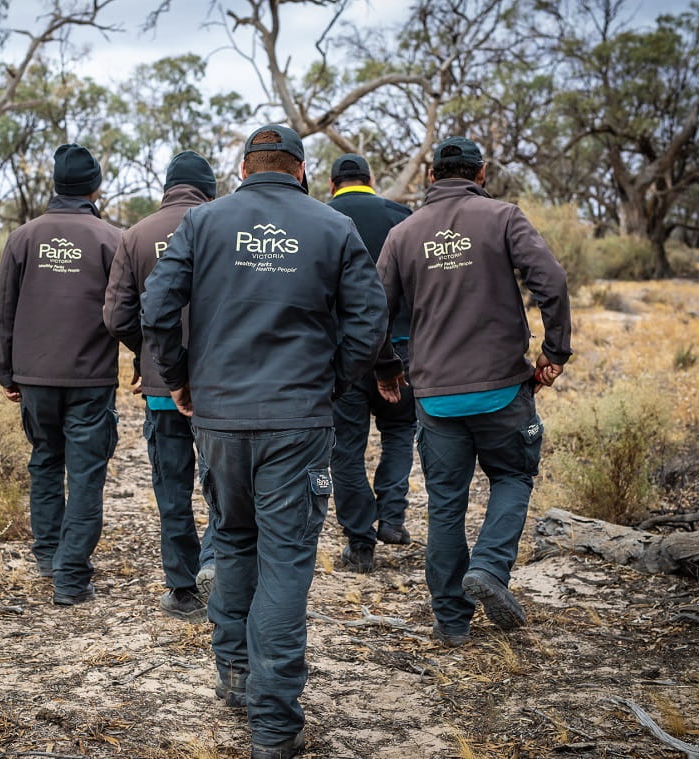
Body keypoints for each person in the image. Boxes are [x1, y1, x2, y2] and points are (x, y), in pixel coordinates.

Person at [142, 125, 393, 759]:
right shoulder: (332, 226)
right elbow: (370, 319)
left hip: (219, 417)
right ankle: (274, 723)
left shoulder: (202, 224)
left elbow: (155, 309)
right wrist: (334, 383)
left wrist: (181, 379)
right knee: (285, 559)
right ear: (302, 172)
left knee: (233, 538)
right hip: (297, 419)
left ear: (244, 168)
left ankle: (236, 673)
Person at [374, 136, 572, 647]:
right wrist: (555, 351)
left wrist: (387, 369)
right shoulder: (504, 217)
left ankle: (451, 621)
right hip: (504, 389)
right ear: (481, 173)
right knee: (513, 475)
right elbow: (550, 280)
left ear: (431, 177)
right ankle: (487, 566)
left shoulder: (402, 233)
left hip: (436, 396)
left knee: (445, 504)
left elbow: (373, 310)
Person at [0, 143, 122, 607]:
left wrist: (7, 372)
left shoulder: (23, 238)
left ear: (55, 184)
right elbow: (123, 311)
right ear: (94, 185)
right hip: (90, 379)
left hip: (35, 378)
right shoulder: (110, 239)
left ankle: (48, 556)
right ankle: (70, 578)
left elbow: (2, 310)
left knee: (45, 462)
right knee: (86, 474)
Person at [102, 150, 218, 624]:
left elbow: (116, 316)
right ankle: (216, 561)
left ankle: (184, 589)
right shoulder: (224, 226)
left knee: (172, 487)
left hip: (159, 385)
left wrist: (145, 351)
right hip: (218, 384)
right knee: (222, 483)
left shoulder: (135, 235)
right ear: (209, 190)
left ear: (167, 188)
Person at [325, 153, 415, 574]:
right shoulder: (404, 217)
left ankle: (360, 543)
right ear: (371, 180)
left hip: (346, 355)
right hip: (402, 348)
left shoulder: (320, 218)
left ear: (331, 185)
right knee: (399, 428)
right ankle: (393, 517)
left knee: (346, 448)